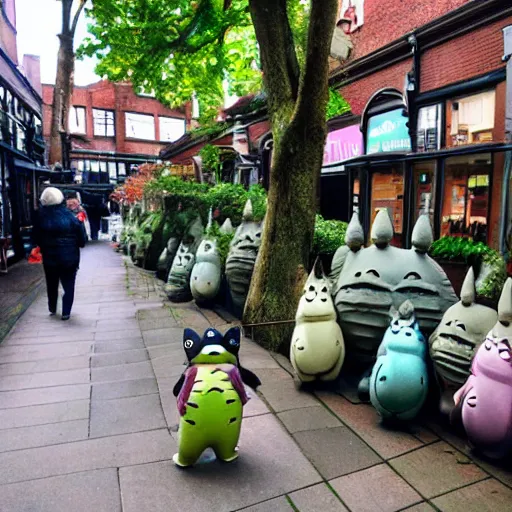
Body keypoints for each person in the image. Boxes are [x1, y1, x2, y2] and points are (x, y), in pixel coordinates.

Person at [33, 187, 87, 320]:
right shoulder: (71, 217)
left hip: (50, 258)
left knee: (51, 283)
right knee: (69, 284)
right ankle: (66, 312)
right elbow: (82, 240)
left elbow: (35, 238)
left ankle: (52, 307)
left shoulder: (40, 217)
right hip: (70, 257)